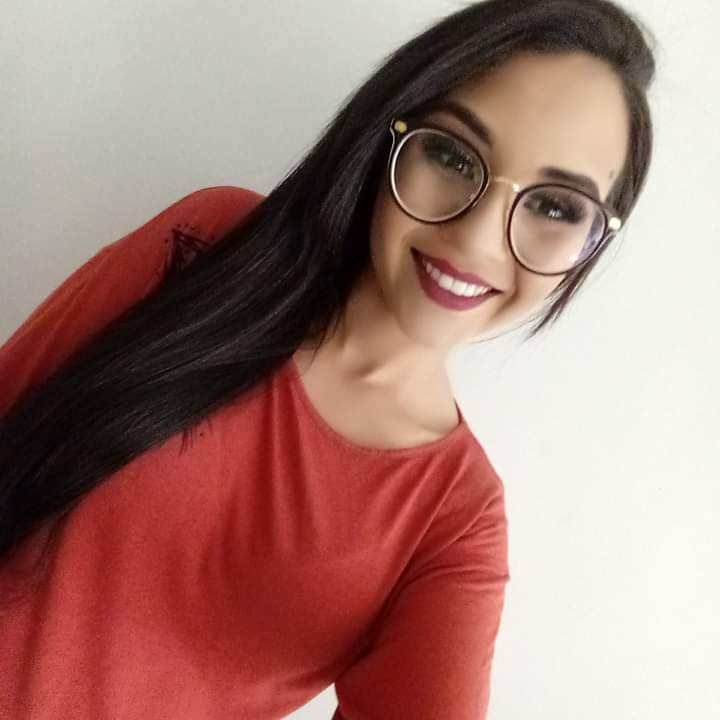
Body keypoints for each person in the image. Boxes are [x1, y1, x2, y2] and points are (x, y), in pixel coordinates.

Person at [0, 0, 655, 718]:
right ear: (390, 138)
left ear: (593, 242)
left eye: (556, 207)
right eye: (452, 156)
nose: (476, 239)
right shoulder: (211, 247)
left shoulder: (452, 522)